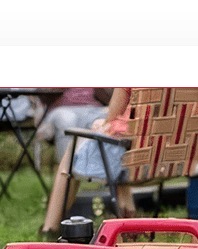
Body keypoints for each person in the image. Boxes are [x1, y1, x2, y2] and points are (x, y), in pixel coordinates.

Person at [39, 88, 135, 240]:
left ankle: (50, 229)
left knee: (72, 154)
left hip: (123, 157)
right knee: (114, 145)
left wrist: (100, 124)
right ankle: (130, 225)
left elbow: (110, 122)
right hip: (158, 161)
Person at [34, 88, 111, 162]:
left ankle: (103, 172)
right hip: (63, 109)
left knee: (111, 120)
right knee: (66, 119)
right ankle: (67, 171)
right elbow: (41, 92)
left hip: (94, 108)